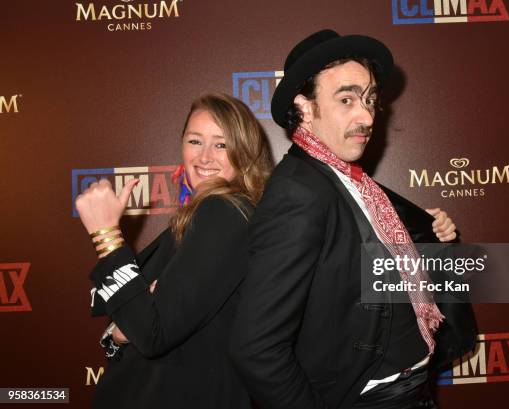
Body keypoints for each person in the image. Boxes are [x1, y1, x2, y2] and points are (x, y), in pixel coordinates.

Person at [229, 30, 477, 409]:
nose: (366, 115)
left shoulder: (346, 179)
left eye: (370, 99)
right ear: (306, 108)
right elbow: (256, 346)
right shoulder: (299, 192)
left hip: (412, 389)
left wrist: (428, 234)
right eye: (346, 99)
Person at [75, 93, 273, 409]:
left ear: (245, 152)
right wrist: (118, 335)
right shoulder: (205, 216)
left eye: (221, 144)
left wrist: (106, 234)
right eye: (195, 141)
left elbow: (152, 334)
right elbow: (139, 324)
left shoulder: (222, 212)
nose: (205, 157)